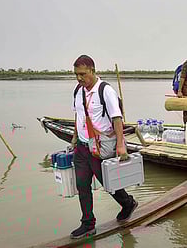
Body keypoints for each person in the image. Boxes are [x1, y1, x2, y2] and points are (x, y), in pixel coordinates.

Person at [70, 55, 138, 239]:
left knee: (109, 183)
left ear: (92, 70)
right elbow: (78, 116)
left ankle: (128, 203)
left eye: (82, 74)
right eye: (76, 74)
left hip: (101, 146)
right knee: (82, 185)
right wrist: (74, 139)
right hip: (83, 147)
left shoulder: (105, 90)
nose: (79, 78)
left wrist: (121, 145)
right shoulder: (78, 90)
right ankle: (88, 224)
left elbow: (117, 118)